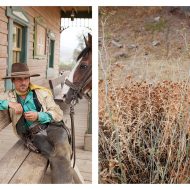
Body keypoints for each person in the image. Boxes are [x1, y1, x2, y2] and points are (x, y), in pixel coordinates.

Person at [0, 63, 79, 183]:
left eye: (26, 78)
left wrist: (39, 115)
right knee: (57, 154)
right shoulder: (9, 96)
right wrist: (9, 104)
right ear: (13, 81)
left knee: (62, 150)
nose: (23, 82)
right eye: (19, 79)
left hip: (53, 126)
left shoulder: (41, 92)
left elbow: (58, 113)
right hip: (33, 135)